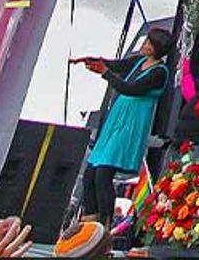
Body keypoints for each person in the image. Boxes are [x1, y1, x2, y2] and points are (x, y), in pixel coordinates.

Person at [58, 25, 172, 258]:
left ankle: (104, 227)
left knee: (103, 173)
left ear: (157, 48)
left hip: (131, 124)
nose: (144, 45)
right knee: (91, 172)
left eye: (148, 42)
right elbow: (117, 65)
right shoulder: (140, 62)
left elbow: (130, 87)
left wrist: (105, 73)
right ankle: (89, 222)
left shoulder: (159, 71)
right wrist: (93, 61)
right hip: (116, 120)